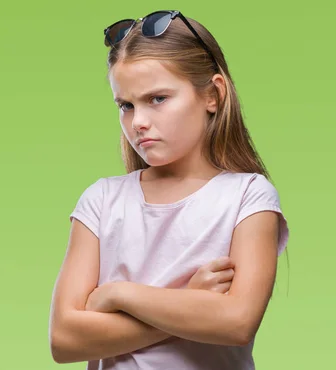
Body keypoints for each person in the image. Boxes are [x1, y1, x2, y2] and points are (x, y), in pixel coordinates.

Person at [48, 10, 290, 370]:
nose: (139, 122)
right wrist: (191, 302)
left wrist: (118, 294)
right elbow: (65, 340)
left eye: (157, 99)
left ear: (212, 94)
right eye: (125, 105)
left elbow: (236, 322)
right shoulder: (101, 201)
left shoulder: (248, 197)